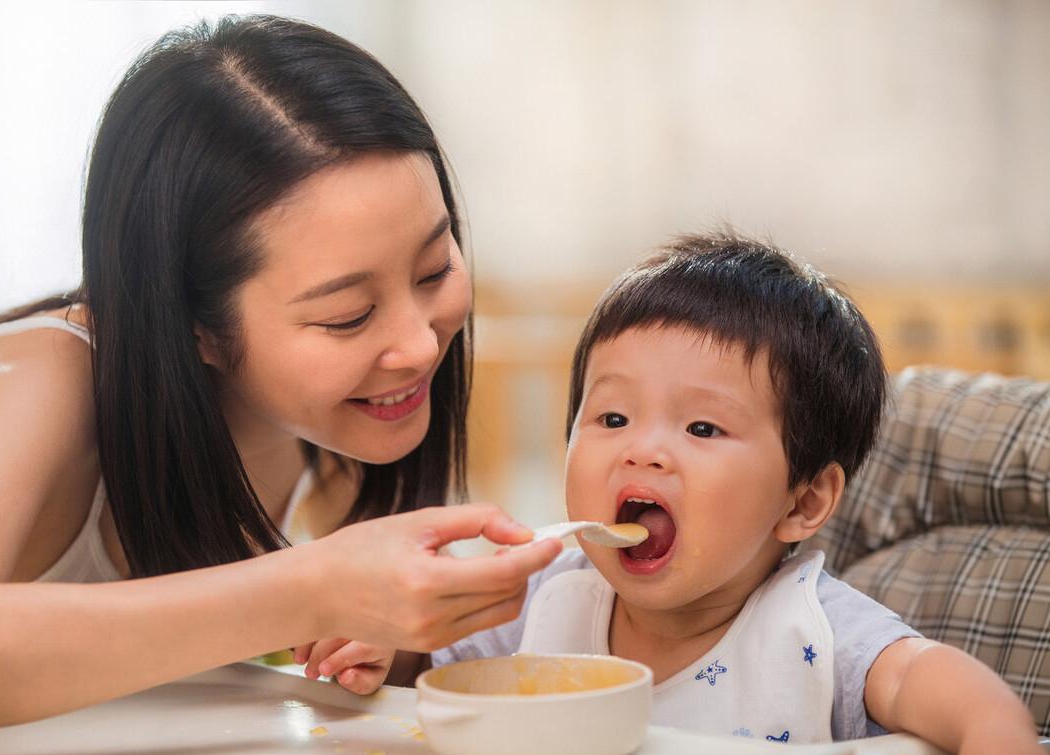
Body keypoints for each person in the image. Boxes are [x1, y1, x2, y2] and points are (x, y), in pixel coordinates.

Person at [0, 15, 562, 735]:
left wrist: (382, 636)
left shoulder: (326, 425)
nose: (416, 345)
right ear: (193, 326)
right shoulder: (40, 378)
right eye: (348, 315)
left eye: (435, 268)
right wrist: (309, 589)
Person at [431, 231, 1040, 754]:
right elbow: (417, 671)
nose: (641, 451)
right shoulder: (544, 598)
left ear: (803, 502)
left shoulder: (814, 631)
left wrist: (993, 733)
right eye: (613, 419)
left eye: (702, 427)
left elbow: (967, 703)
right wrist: (378, 645)